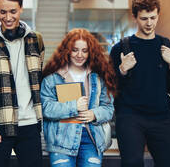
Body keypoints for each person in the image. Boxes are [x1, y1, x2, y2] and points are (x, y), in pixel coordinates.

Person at [110, 0, 170, 167]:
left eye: (153, 17)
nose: (149, 23)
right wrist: (122, 70)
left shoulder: (168, 47)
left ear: (158, 15)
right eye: (144, 18)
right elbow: (111, 88)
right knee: (132, 163)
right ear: (135, 17)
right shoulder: (120, 48)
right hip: (129, 117)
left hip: (162, 118)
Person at [0, 0, 45, 167]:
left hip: (30, 123)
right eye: (3, 12)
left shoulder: (36, 40)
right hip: (0, 126)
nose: (8, 17)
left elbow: (40, 80)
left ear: (21, 8)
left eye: (13, 11)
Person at [41, 28, 115, 167]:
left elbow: (108, 108)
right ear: (67, 50)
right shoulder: (52, 78)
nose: (79, 55)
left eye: (84, 51)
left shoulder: (98, 78)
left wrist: (94, 114)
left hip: (91, 138)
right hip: (61, 140)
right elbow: (46, 109)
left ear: (90, 52)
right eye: (75, 50)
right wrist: (73, 106)